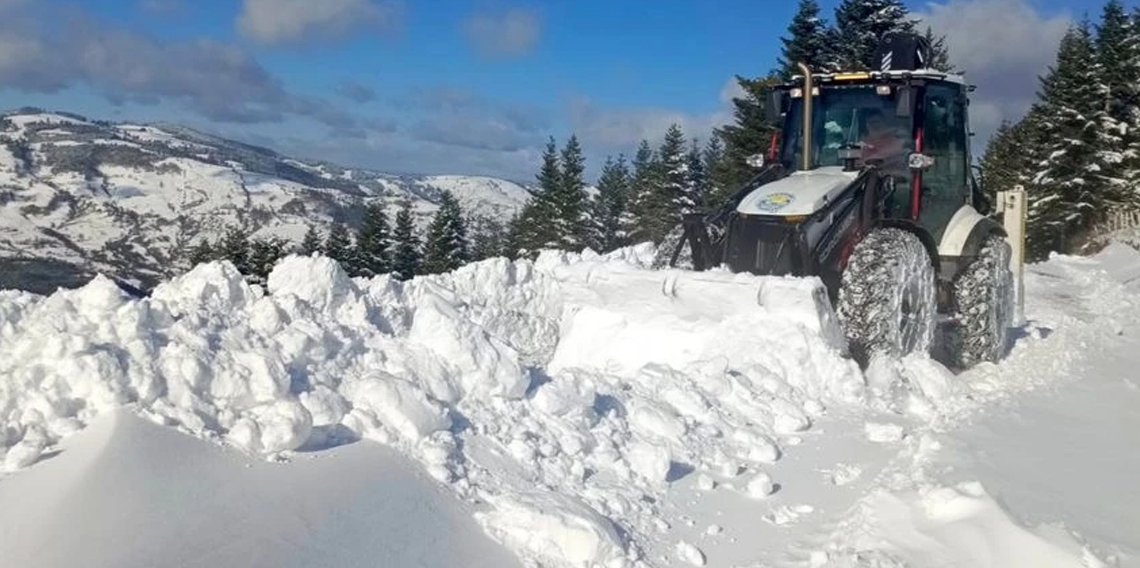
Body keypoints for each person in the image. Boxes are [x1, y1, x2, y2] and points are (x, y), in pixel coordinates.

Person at [858, 110, 909, 177]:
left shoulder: (898, 138)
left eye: (877, 122)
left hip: (897, 179)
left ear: (884, 122)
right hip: (868, 180)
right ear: (866, 124)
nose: (874, 125)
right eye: (871, 122)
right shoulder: (861, 145)